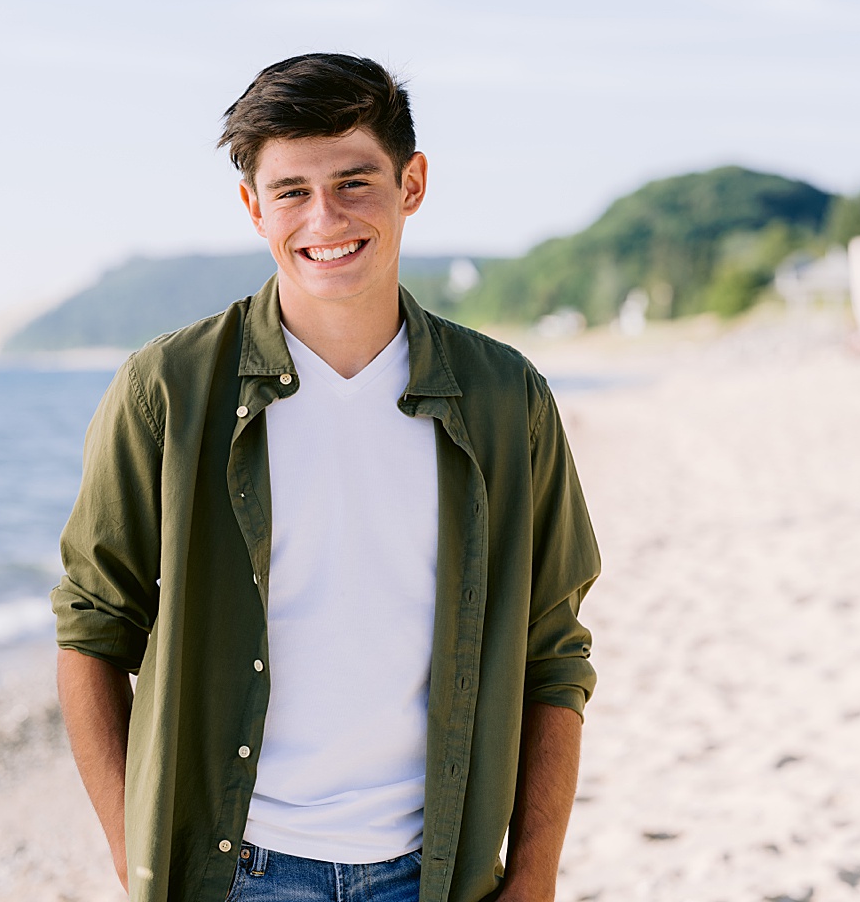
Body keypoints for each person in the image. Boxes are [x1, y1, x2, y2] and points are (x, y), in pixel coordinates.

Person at [52, 53, 599, 902]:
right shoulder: (167, 390)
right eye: (292, 192)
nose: (325, 218)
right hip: (238, 875)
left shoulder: (506, 398)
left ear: (411, 183)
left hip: (435, 873)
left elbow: (552, 650)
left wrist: (531, 881)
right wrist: (139, 861)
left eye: (354, 182)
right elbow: (92, 628)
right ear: (252, 206)